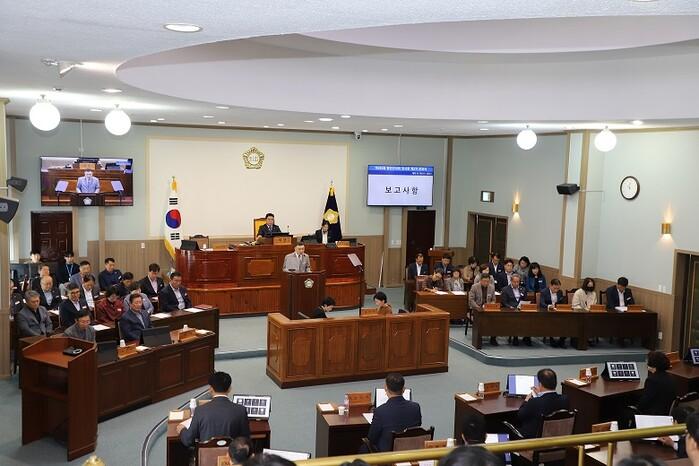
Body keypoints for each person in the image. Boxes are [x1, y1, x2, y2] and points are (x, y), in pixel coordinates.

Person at [178, 371, 250, 447]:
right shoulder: (241, 410)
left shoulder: (200, 410)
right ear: (229, 389)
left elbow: (188, 441)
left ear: (211, 389)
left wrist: (182, 430)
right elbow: (245, 440)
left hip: (206, 454)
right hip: (231, 453)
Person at [366, 373, 422, 452]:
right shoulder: (415, 407)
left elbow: (371, 438)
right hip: (410, 452)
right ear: (404, 389)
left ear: (386, 389)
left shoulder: (380, 411)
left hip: (389, 454)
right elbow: (417, 427)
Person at [517, 368, 570, 438]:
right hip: (556, 438)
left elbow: (520, 415)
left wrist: (526, 400)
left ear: (540, 384)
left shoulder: (534, 402)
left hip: (533, 439)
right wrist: (540, 394)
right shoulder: (564, 399)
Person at [637, 351, 677, 416]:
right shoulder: (671, 377)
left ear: (653, 365)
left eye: (648, 361)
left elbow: (644, 403)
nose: (646, 362)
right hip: (666, 412)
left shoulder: (652, 380)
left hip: (653, 415)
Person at [501, 274, 530, 346]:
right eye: (515, 282)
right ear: (511, 281)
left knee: (529, 318)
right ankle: (515, 337)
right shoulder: (505, 289)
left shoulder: (523, 289)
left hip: (521, 310)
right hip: (511, 311)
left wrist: (525, 305)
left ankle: (527, 336)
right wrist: (510, 307)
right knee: (516, 318)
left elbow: (525, 299)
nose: (516, 283)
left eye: (518, 282)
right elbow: (504, 302)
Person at [468, 273, 497, 345]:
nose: (486, 283)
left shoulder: (491, 287)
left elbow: (494, 300)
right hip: (477, 309)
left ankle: (493, 338)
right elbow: (471, 300)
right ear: (480, 280)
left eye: (487, 281)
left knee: (495, 318)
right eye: (484, 281)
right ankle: (479, 337)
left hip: (487, 309)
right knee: (481, 318)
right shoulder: (474, 287)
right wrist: (477, 307)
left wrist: (491, 304)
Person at [539, 279, 568, 347]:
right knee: (552, 321)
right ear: (550, 286)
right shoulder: (544, 291)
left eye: (558, 288)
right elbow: (542, 303)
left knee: (566, 321)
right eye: (555, 288)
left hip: (558, 312)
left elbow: (562, 302)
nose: (556, 290)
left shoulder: (560, 292)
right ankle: (552, 339)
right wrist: (549, 306)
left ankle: (562, 340)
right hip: (547, 312)